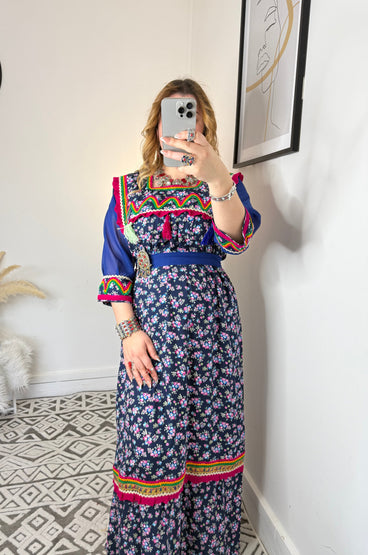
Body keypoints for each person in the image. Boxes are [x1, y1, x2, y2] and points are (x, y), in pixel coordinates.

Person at [98, 78, 261, 554]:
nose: (181, 129)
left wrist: (217, 177)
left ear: (205, 127)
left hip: (214, 328)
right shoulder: (128, 189)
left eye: (193, 118)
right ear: (156, 128)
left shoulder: (223, 184)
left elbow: (235, 240)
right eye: (171, 118)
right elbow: (116, 269)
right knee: (150, 435)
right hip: (152, 330)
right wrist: (129, 333)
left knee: (212, 433)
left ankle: (205, 543)